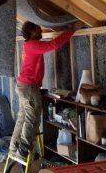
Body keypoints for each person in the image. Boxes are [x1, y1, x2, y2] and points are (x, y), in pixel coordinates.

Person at [9, 21, 82, 161]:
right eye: (38, 29)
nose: (41, 31)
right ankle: (23, 152)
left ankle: (14, 148)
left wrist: (65, 29)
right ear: (31, 31)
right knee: (31, 119)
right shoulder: (33, 44)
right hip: (29, 87)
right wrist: (72, 30)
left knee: (22, 118)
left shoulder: (28, 45)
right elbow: (53, 45)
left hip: (23, 85)